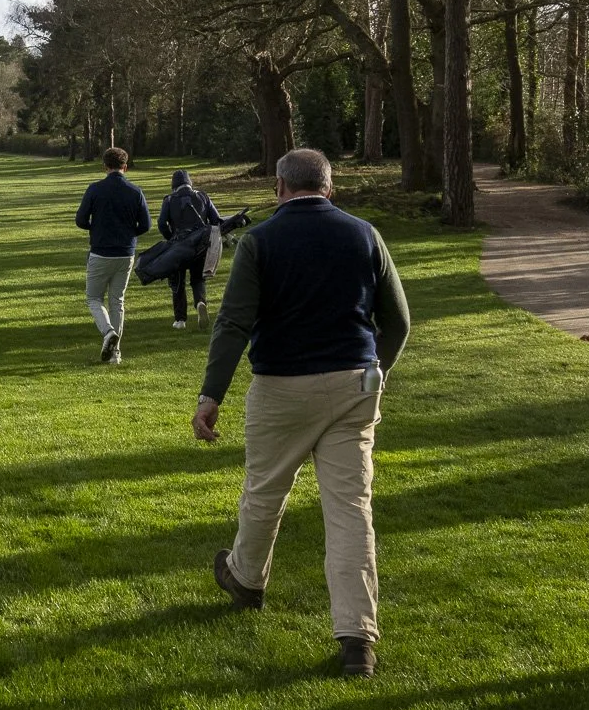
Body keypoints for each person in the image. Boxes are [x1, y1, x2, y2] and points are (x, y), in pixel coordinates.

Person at [194, 148, 410, 679]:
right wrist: (375, 369)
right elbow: (398, 322)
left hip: (281, 387)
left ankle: (246, 579)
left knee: (265, 491)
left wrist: (211, 395)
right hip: (354, 384)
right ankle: (357, 638)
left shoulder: (262, 241)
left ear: (279, 188)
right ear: (330, 188)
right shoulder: (365, 235)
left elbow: (233, 325)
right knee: (350, 511)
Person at [75, 147, 149, 364]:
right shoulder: (135, 191)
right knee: (117, 300)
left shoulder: (95, 190)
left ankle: (108, 332)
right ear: (125, 167)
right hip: (126, 252)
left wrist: (95, 228)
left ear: (104, 166)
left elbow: (80, 220)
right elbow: (145, 224)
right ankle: (115, 355)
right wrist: (127, 234)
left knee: (94, 298)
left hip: (100, 252)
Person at [158, 169, 249, 329]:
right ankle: (200, 302)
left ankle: (180, 320)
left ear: (174, 185)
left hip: (178, 245)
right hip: (200, 245)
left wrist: (170, 238)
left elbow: (161, 223)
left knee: (178, 282)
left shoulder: (169, 199)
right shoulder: (203, 196)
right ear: (189, 182)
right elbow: (216, 220)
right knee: (198, 279)